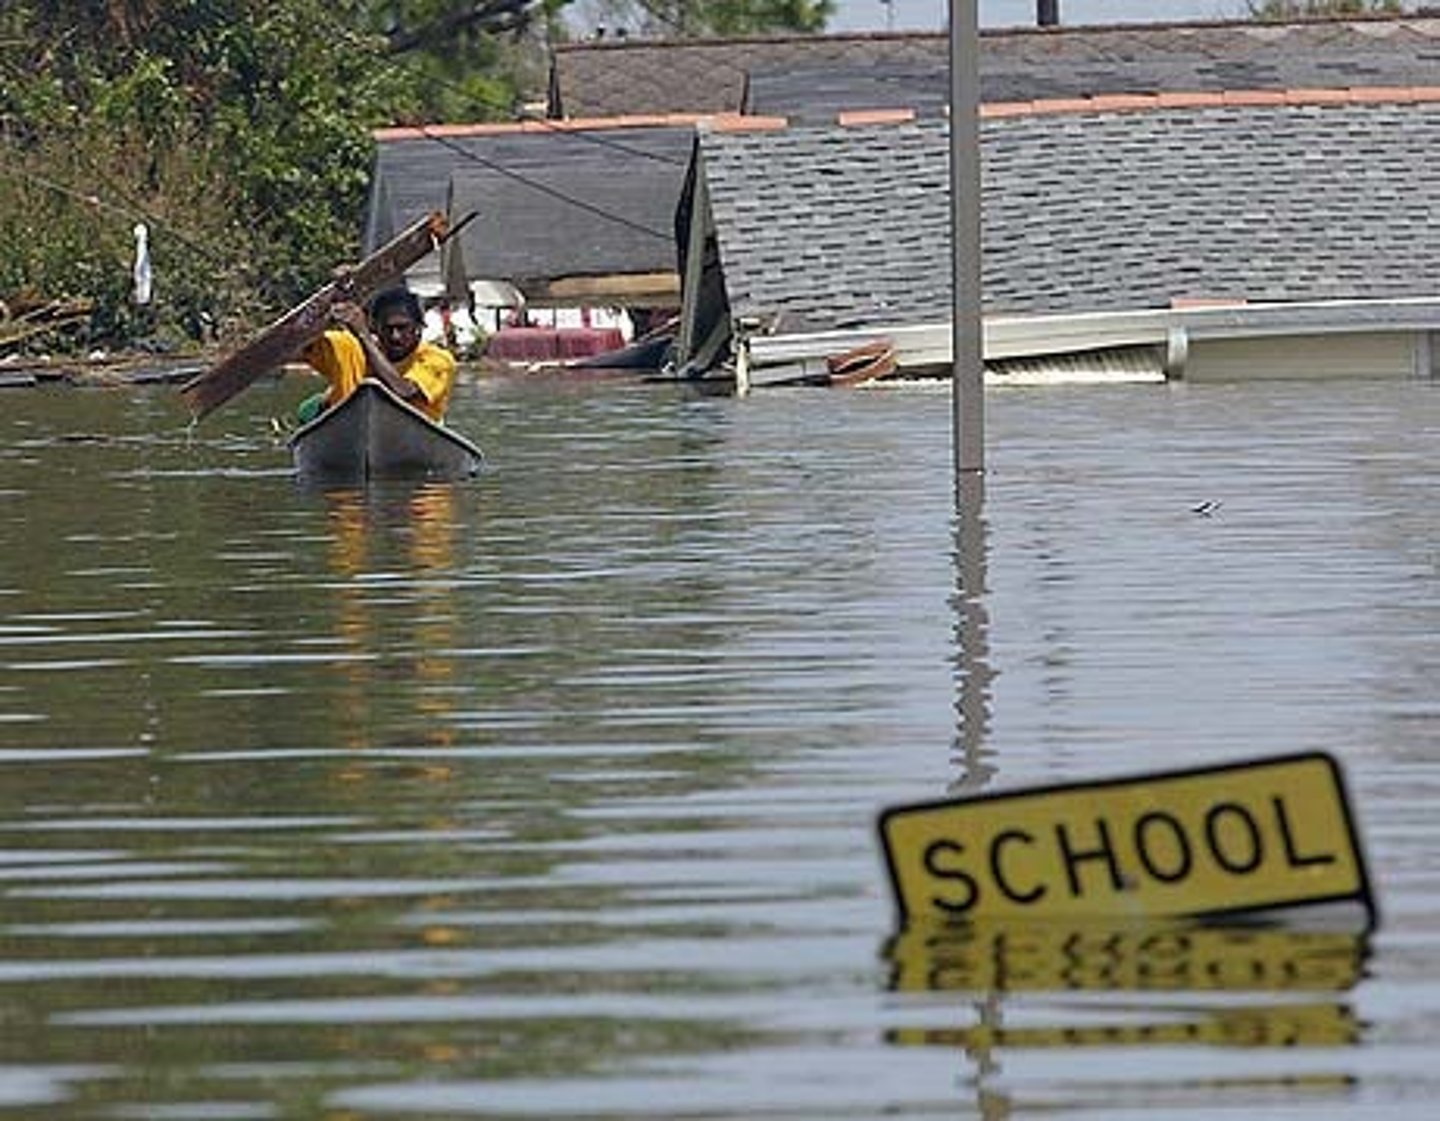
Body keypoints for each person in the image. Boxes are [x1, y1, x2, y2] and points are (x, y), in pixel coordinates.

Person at [297, 287, 457, 424]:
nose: (396, 336)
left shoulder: (438, 359)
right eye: (387, 329)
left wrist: (363, 335)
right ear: (375, 327)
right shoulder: (350, 346)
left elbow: (405, 391)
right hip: (347, 427)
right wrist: (326, 308)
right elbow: (300, 345)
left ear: (419, 327)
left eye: (403, 328)